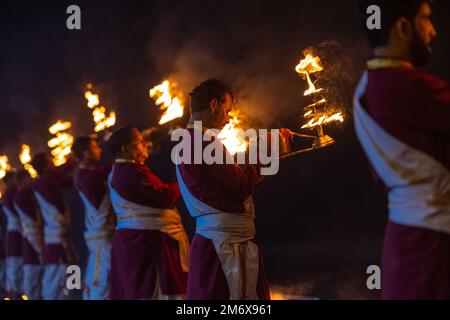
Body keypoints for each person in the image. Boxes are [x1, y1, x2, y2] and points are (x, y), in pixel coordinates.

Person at [355, 0, 450, 299]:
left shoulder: (365, 89)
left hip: (404, 244)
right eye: (425, 19)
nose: (433, 31)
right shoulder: (407, 87)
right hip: (433, 249)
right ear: (403, 27)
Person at [176, 79, 292, 299]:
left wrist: (267, 158)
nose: (228, 119)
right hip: (222, 248)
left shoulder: (190, 140)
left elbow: (233, 186)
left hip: (216, 243)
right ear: (214, 104)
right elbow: (240, 187)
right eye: (227, 110)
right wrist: (266, 151)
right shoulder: (203, 142)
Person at [107, 127, 189, 299]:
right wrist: (185, 176)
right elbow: (165, 196)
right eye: (139, 142)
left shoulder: (119, 168)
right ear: (125, 149)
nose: (146, 144)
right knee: (157, 292)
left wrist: (143, 144)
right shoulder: (130, 170)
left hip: (136, 240)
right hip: (146, 243)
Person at [72, 136, 115, 300]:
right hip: (101, 245)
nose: (100, 150)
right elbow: (108, 168)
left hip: (106, 239)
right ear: (86, 153)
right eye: (95, 148)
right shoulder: (85, 176)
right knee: (99, 288)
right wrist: (125, 154)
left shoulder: (88, 174)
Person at [31, 153, 76, 300]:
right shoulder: (41, 183)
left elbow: (69, 179)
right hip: (55, 244)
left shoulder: (49, 183)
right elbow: (61, 172)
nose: (54, 165)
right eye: (51, 163)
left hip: (64, 240)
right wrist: (71, 161)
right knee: (53, 285)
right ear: (44, 168)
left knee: (73, 278)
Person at [14, 170, 44, 300]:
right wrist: (41, 249)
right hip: (33, 247)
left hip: (40, 244)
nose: (31, 180)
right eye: (28, 178)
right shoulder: (20, 196)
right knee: (33, 289)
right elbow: (31, 226)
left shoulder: (27, 194)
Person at [0, 171, 23, 298]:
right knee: (14, 279)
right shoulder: (10, 196)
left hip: (8, 242)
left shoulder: (8, 196)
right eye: (15, 178)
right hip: (13, 240)